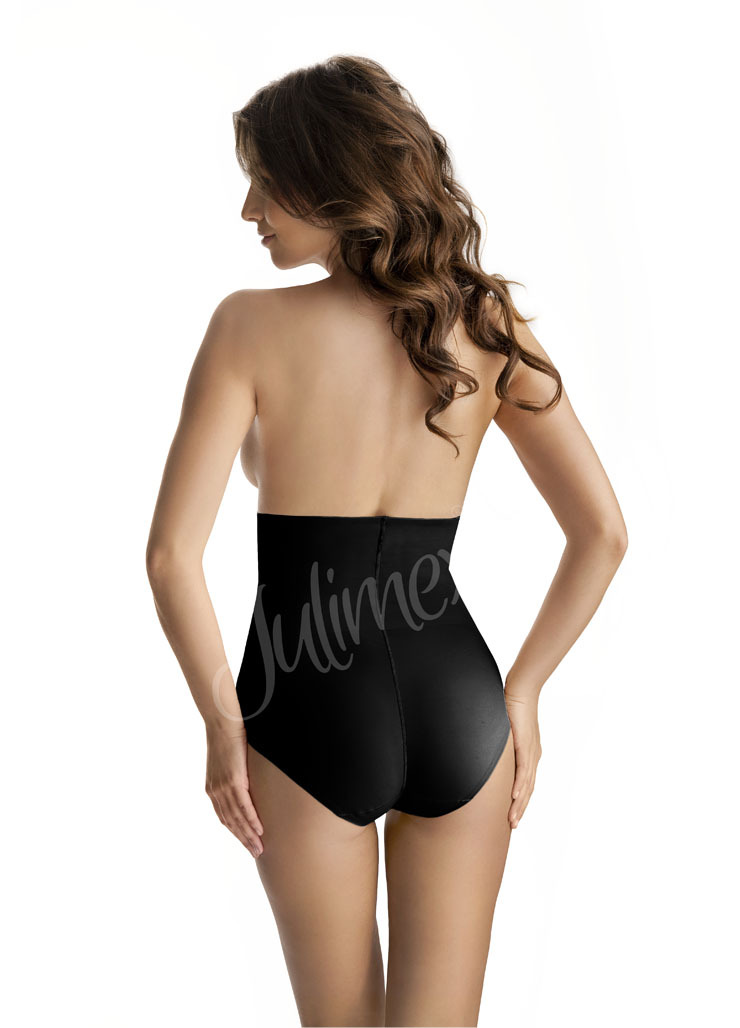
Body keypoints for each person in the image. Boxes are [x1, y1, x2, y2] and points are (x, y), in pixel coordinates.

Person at [146, 55, 628, 1028]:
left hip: (300, 704)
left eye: (265, 181)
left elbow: (170, 556)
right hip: (463, 706)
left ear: (330, 178)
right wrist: (523, 691)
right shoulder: (484, 321)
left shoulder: (248, 326)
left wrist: (221, 725)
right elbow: (603, 533)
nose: (248, 209)